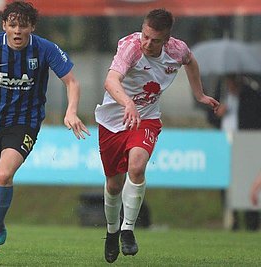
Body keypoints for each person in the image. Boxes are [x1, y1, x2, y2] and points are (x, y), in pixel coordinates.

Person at [0, 1, 90, 246]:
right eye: (13, 25)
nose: (18, 30)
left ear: (32, 27)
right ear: (4, 26)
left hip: (25, 122)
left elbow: (72, 82)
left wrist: (71, 111)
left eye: (23, 25)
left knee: (4, 174)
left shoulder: (46, 49)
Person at [94, 9, 219, 263]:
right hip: (112, 121)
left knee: (137, 167)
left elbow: (191, 61)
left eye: (155, 40)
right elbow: (110, 80)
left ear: (167, 39)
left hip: (147, 118)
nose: (148, 43)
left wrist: (199, 94)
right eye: (146, 36)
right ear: (143, 28)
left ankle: (128, 229)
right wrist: (128, 103)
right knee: (114, 185)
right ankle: (111, 232)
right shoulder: (131, 47)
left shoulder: (177, 50)